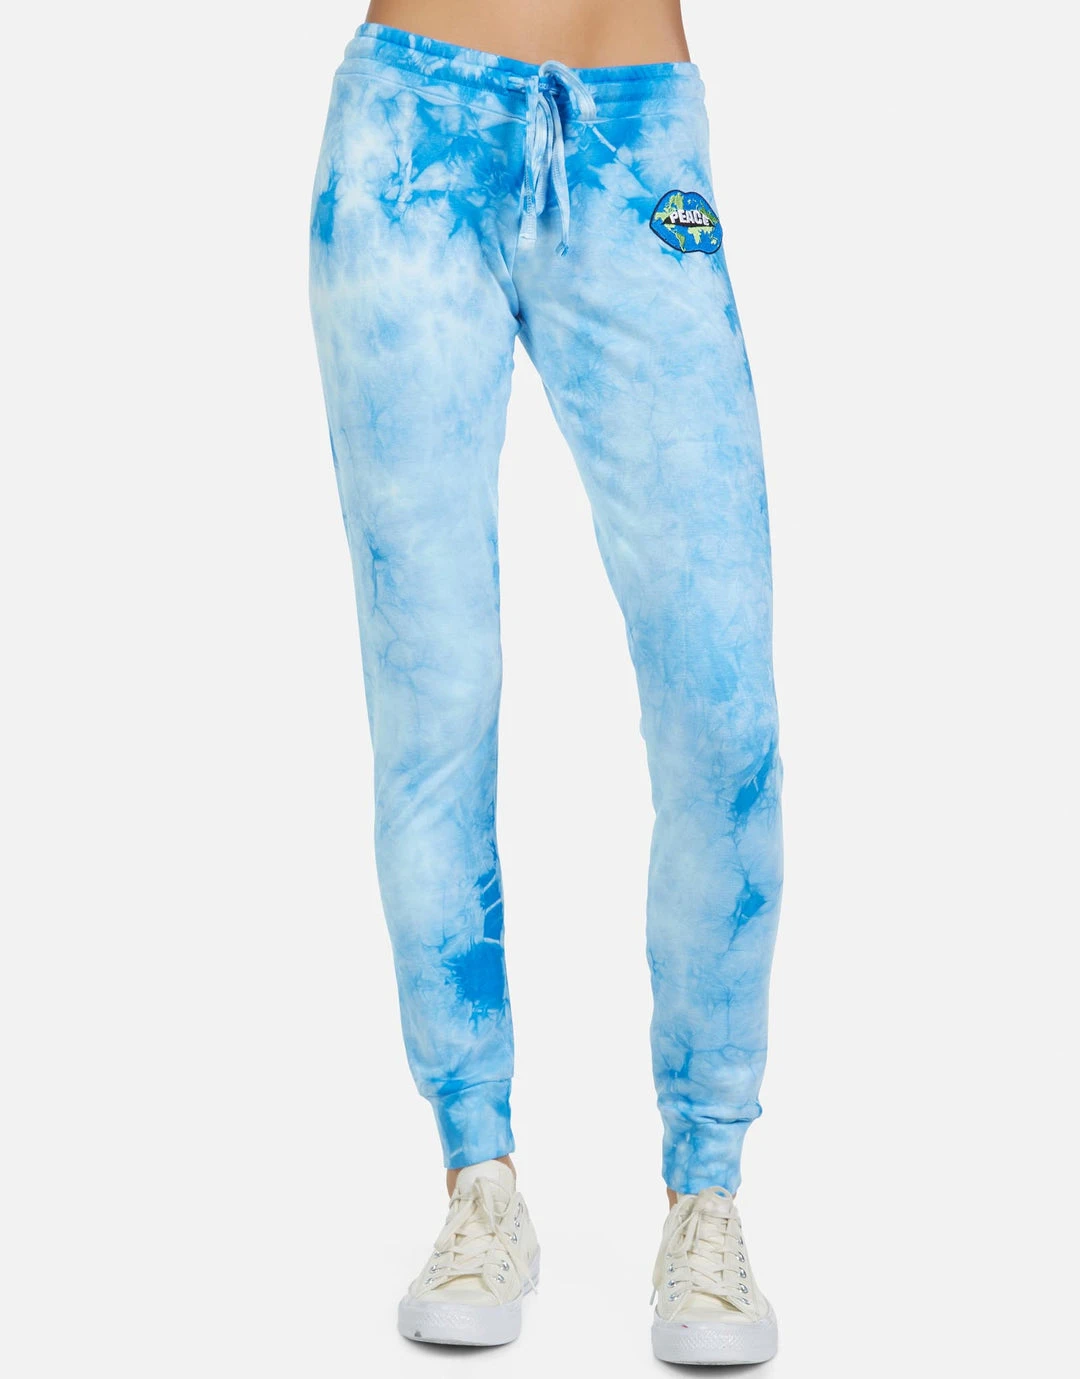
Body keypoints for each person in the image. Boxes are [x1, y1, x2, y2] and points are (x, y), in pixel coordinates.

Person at [309, 0, 783, 1363]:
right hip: (407, 140)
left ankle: (707, 1192)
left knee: (724, 709)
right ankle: (480, 1179)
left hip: (637, 137)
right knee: (434, 696)